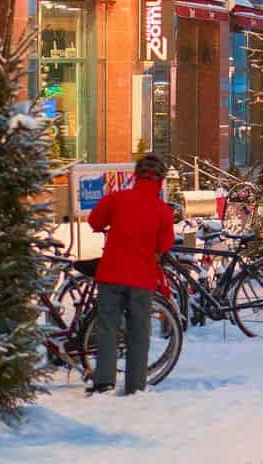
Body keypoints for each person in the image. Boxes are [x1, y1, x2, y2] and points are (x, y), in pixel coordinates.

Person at [85, 154, 176, 396]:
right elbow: (165, 244)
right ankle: (135, 385)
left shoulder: (118, 198)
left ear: (136, 175)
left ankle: (104, 381)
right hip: (142, 278)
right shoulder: (162, 210)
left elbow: (94, 221)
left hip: (112, 273)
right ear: (160, 180)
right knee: (138, 332)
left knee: (107, 328)